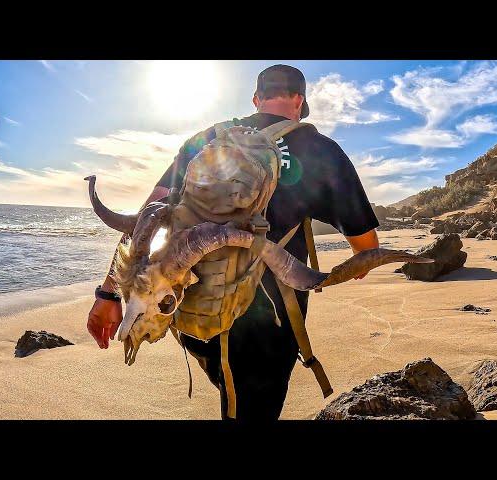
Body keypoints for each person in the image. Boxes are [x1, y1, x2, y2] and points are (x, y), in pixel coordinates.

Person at [87, 64, 381, 420]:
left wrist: (108, 293)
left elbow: (146, 219)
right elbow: (366, 252)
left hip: (195, 311)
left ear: (257, 99)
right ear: (299, 100)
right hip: (268, 324)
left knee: (230, 393)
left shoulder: (207, 138)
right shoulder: (320, 151)